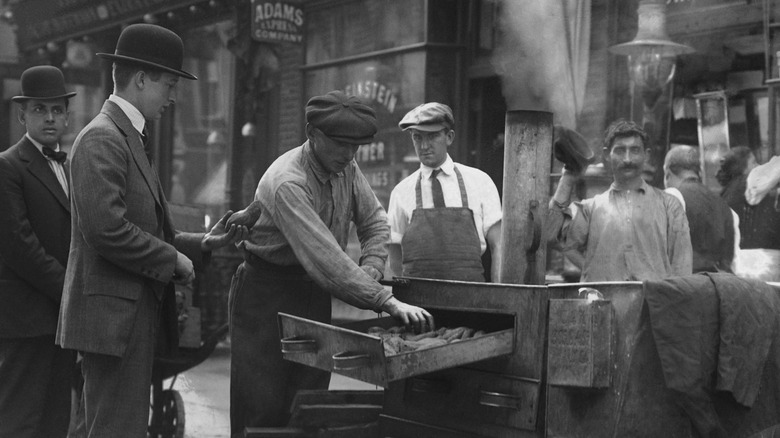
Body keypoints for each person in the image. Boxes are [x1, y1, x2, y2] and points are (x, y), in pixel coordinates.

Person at [56, 24, 248, 437]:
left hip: (124, 319)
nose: (173, 96)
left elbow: (146, 227)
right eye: (169, 84)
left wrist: (201, 244)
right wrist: (172, 259)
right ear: (141, 79)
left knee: (107, 426)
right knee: (116, 429)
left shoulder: (126, 138)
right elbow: (107, 230)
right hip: (112, 323)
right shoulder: (102, 139)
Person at [224, 90, 434, 433]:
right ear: (312, 135)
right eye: (340, 145)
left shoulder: (346, 166)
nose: (350, 154)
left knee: (309, 403)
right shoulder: (288, 183)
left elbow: (374, 222)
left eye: (355, 147)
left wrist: (371, 269)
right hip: (266, 297)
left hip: (313, 294)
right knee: (263, 409)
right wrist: (385, 299)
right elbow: (326, 260)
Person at [0, 66, 77, 438]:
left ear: (67, 115)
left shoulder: (72, 167)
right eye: (39, 109)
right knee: (20, 421)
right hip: (28, 319)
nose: (49, 118)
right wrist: (71, 289)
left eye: (56, 110)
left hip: (62, 322)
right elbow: (19, 246)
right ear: (22, 115)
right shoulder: (8, 166)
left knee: (55, 420)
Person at [546, 119, 692, 282]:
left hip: (653, 306)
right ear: (607, 155)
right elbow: (549, 234)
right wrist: (569, 176)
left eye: (635, 150)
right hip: (602, 305)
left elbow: (682, 271)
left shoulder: (669, 206)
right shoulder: (591, 209)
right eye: (620, 151)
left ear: (646, 155)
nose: (628, 159)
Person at [386, 102, 502, 282]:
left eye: (432, 136)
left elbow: (499, 246)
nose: (424, 146)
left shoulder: (480, 181)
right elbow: (395, 257)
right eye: (417, 137)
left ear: (449, 137)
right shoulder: (401, 192)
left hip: (471, 299)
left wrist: (499, 298)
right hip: (418, 304)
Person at [663, 145, 734, 273]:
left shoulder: (670, 199)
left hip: (681, 286)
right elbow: (731, 260)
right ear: (699, 173)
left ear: (667, 175)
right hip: (717, 286)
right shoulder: (723, 204)